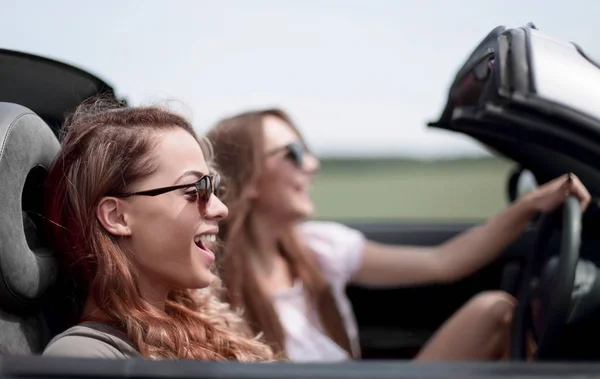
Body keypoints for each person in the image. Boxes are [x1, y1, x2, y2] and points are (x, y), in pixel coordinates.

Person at [206, 108, 591, 362]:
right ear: (249, 177)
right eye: (292, 152)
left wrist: (528, 206)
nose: (312, 164)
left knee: (496, 311)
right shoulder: (211, 289)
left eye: (306, 149)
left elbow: (444, 262)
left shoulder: (321, 248)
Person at [42, 99, 276, 361]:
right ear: (117, 217)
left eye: (214, 187)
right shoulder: (84, 357)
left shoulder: (201, 332)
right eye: (196, 190)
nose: (221, 208)